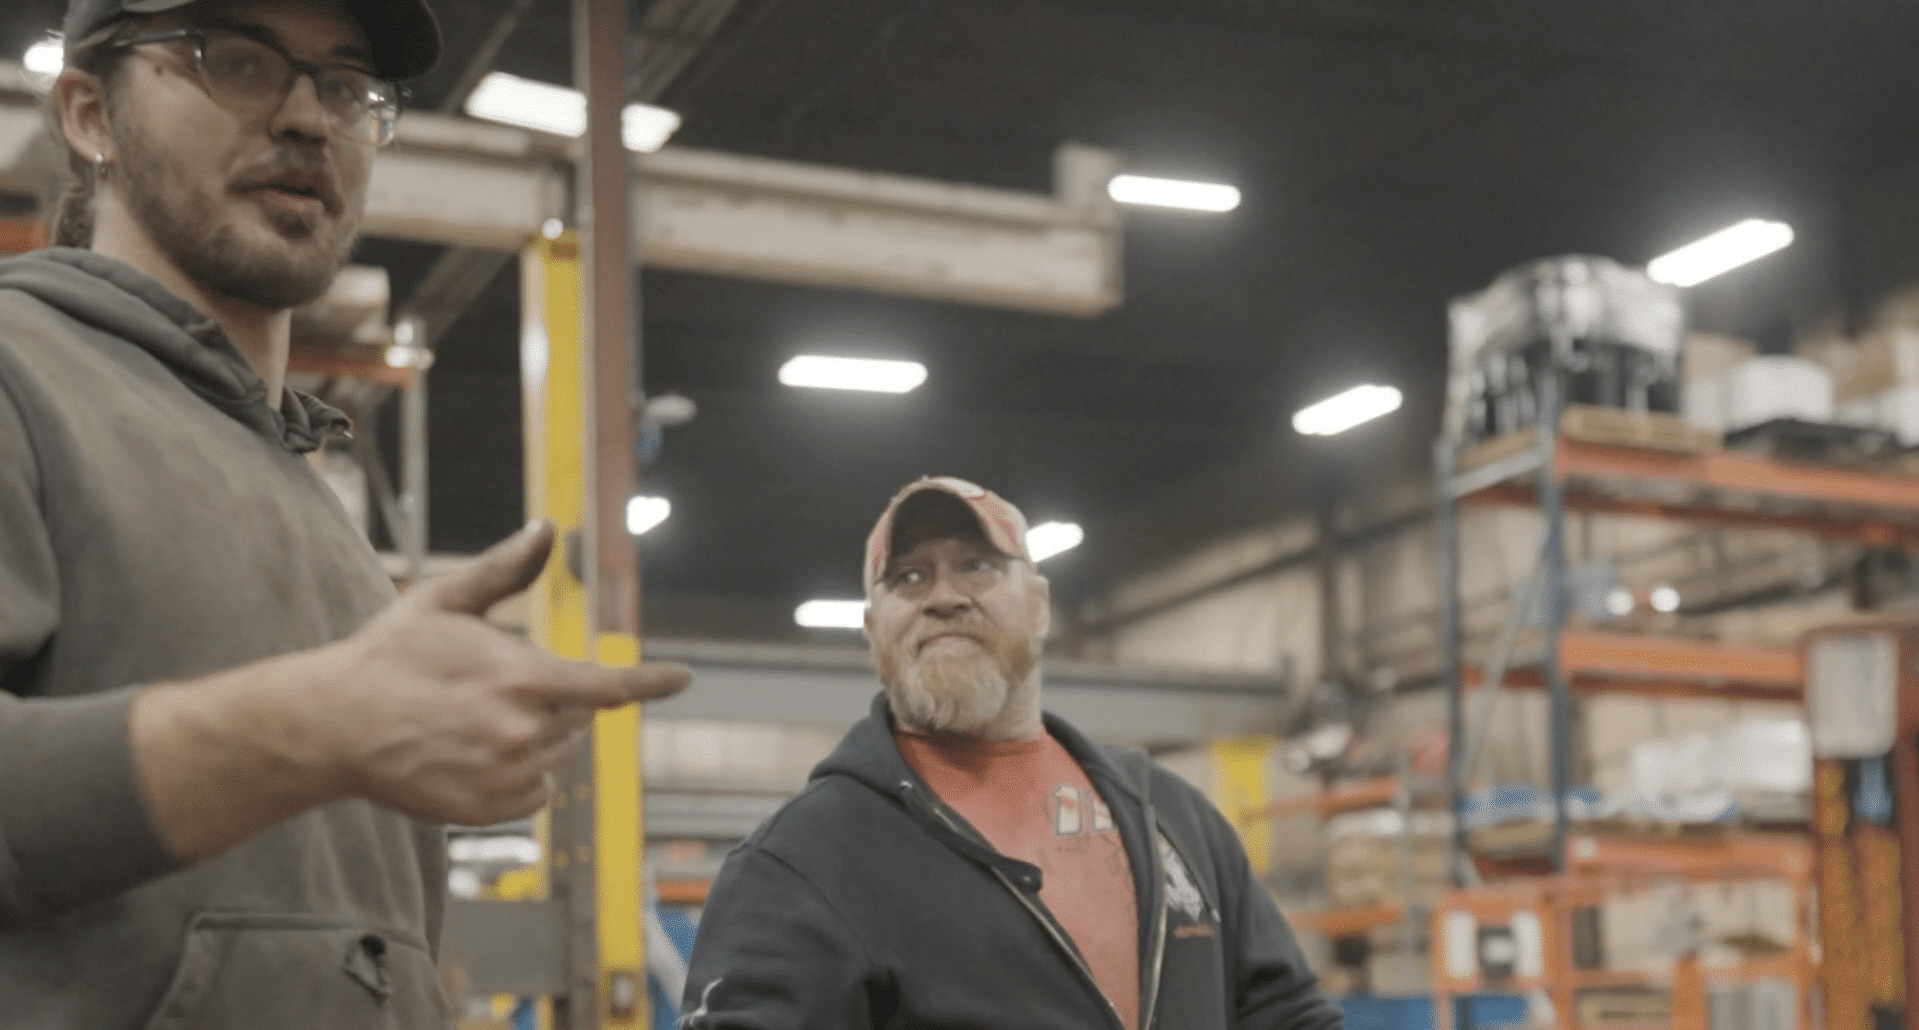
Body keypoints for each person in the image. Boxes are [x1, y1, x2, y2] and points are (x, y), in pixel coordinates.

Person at [0, 1, 690, 1026]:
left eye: (347, 86)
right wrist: (318, 725)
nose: (307, 118)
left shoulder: (315, 503)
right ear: (91, 113)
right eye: (234, 60)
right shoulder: (21, 373)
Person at [681, 476, 1341, 1030]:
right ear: (872, 630)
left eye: (977, 565)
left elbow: (1286, 1014)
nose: (943, 596)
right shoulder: (800, 865)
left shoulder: (1168, 815)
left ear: (1040, 606)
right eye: (908, 577)